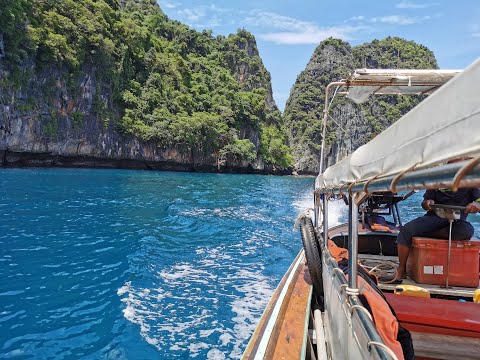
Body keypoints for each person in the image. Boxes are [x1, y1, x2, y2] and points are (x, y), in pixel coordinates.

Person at [386, 187, 480, 283]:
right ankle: (401, 269)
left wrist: (476, 204)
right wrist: (427, 203)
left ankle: (429, 233)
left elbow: (479, 202)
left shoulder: (468, 184)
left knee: (467, 231)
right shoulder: (436, 181)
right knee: (406, 230)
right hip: (433, 219)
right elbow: (424, 203)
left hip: (457, 222)